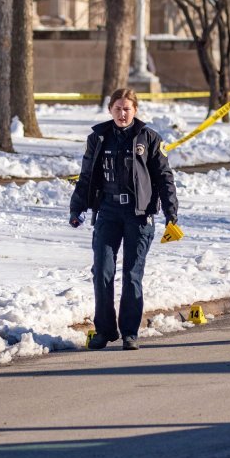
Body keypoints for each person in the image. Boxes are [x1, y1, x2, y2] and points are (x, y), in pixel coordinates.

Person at [69, 88, 178, 350]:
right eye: (117, 108)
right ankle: (104, 331)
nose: (122, 113)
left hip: (139, 216)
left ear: (135, 110)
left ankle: (130, 332)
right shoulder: (98, 138)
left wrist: (171, 213)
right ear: (110, 110)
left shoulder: (149, 138)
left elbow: (164, 177)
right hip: (107, 213)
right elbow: (86, 176)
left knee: (131, 274)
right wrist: (77, 208)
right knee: (102, 272)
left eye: (127, 108)